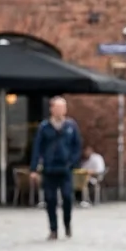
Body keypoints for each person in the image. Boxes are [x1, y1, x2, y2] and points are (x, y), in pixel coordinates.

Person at [29, 96, 83, 240]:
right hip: (49, 168)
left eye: (62, 108)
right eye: (57, 107)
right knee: (50, 199)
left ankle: (67, 223)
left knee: (67, 197)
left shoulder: (71, 126)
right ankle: (53, 229)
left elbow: (77, 146)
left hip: (65, 169)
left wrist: (72, 162)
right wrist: (34, 169)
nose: (60, 111)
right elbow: (37, 148)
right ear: (52, 109)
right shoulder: (44, 127)